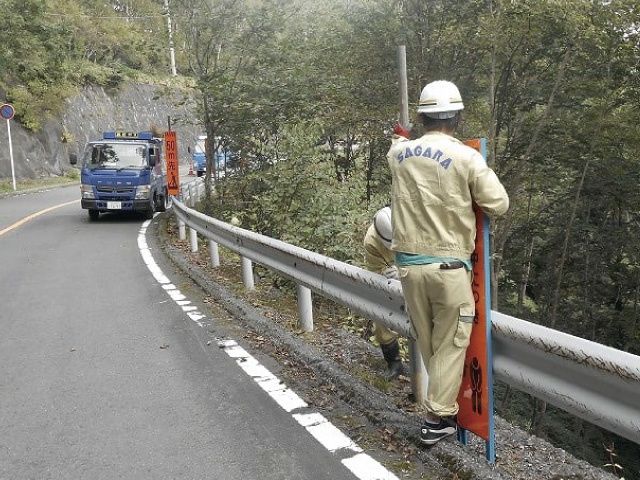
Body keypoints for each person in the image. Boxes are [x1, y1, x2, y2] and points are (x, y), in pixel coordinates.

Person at [386, 80, 509, 445]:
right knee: (453, 341)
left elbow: (397, 145)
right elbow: (498, 203)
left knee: (430, 340)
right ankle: (437, 419)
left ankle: (438, 410)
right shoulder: (466, 157)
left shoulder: (399, 155)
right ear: (457, 116)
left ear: (422, 117)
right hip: (449, 268)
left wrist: (402, 137)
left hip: (408, 265)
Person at [363, 206, 406, 380]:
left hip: (417, 275)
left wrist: (404, 270)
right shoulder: (371, 241)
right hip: (389, 282)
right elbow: (375, 271)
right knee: (381, 316)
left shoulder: (414, 223)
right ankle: (394, 363)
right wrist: (386, 273)